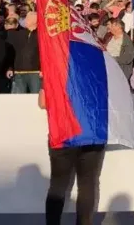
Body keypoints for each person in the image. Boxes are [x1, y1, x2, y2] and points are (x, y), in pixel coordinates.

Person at [40, 88, 106, 225]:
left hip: (63, 134)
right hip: (91, 132)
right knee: (87, 183)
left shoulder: (56, 69)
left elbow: (43, 103)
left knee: (58, 184)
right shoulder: (100, 68)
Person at [5, 10, 42, 93]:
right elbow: (10, 53)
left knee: (36, 98)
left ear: (35, 20)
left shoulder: (41, 35)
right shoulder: (17, 34)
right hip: (18, 72)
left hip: (36, 72)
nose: (25, 20)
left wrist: (43, 69)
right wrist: (10, 68)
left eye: (28, 18)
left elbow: (45, 54)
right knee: (18, 100)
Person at [103, 17, 134, 83]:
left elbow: (130, 55)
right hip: (107, 67)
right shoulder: (109, 37)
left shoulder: (126, 40)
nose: (108, 27)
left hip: (119, 69)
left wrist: (115, 59)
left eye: (110, 25)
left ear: (117, 26)